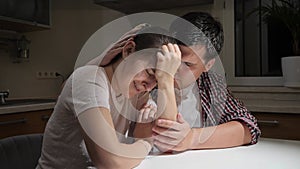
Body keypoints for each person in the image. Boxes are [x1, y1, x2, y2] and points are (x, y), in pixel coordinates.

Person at [36, 26, 182, 169]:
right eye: (150, 72)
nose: (149, 87)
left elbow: (167, 138)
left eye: (157, 81)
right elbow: (111, 162)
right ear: (129, 50)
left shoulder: (138, 92)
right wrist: (144, 142)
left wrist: (166, 80)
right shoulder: (89, 79)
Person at [148, 12, 261, 152]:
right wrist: (164, 78)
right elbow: (165, 142)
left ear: (208, 65)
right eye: (173, 57)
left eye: (188, 64)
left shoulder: (210, 84)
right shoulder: (147, 77)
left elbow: (249, 127)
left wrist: (192, 138)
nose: (175, 68)